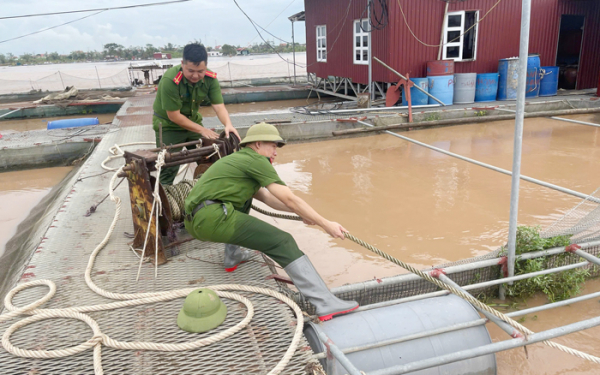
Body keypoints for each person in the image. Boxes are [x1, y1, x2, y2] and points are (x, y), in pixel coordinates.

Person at [184, 123, 359, 321]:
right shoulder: (257, 161)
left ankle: (232, 258)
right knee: (282, 241)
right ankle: (326, 304)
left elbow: (267, 198)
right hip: (212, 218)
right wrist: (325, 224)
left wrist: (304, 215)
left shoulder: (240, 160)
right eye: (273, 145)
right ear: (258, 144)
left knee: (245, 199)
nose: (276, 151)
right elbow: (289, 199)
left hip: (196, 220)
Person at [152, 43, 240, 185]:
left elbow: (218, 106)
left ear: (206, 66)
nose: (195, 75)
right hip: (170, 126)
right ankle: (162, 201)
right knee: (169, 166)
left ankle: (210, 194)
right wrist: (202, 130)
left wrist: (228, 125)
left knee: (210, 156)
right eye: (191, 70)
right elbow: (173, 116)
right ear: (182, 64)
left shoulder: (210, 79)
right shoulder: (170, 80)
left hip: (193, 122)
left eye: (200, 71)